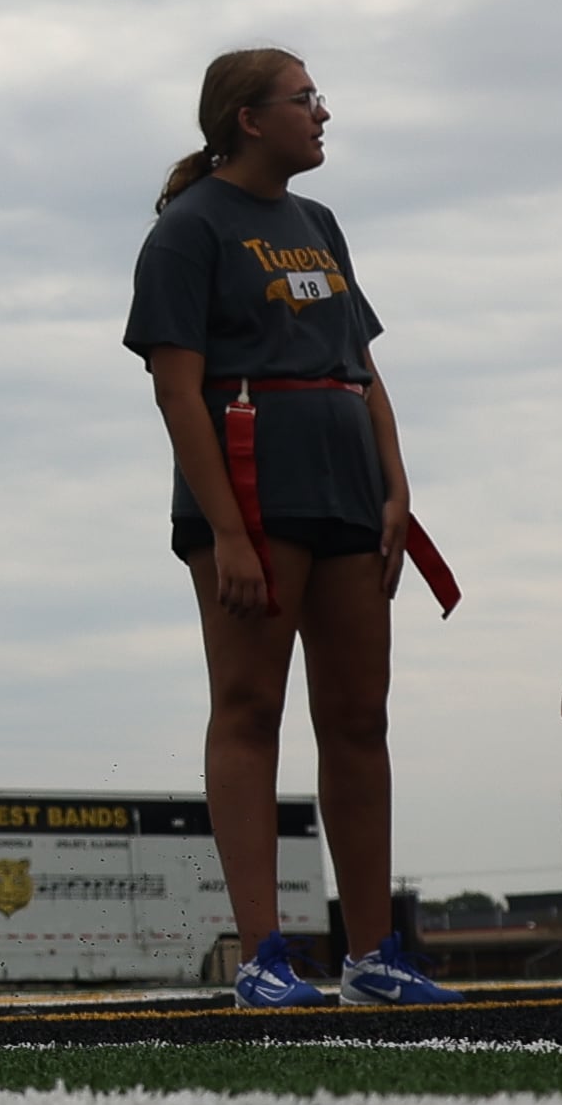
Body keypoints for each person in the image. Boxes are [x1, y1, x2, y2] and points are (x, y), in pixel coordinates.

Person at [124, 50, 458, 1008]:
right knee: (250, 711)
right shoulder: (187, 230)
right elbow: (175, 392)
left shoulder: (319, 225)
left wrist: (396, 491)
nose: (322, 112)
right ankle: (263, 954)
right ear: (246, 118)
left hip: (348, 491)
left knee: (358, 718)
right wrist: (226, 530)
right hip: (249, 494)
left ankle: (372, 953)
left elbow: (363, 369)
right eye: (304, 98)